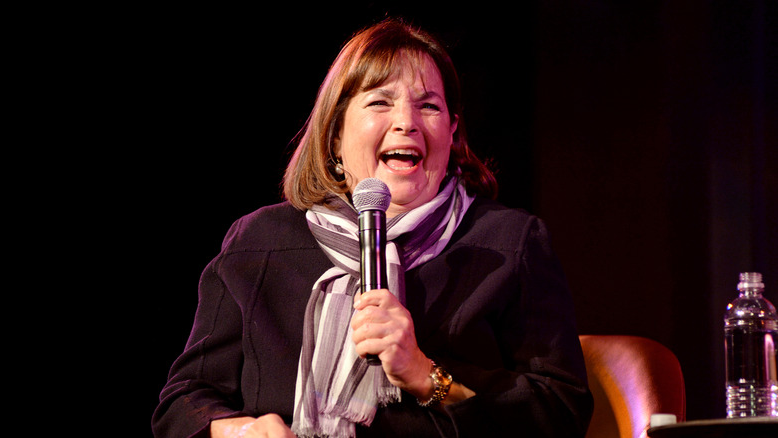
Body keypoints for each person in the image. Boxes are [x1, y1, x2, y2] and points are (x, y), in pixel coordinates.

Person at [152, 18, 593, 438]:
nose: (407, 122)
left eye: (429, 106)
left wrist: (425, 375)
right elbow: (183, 402)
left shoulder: (509, 243)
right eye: (380, 101)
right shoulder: (259, 242)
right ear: (335, 136)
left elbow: (562, 413)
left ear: (453, 133)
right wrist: (240, 429)